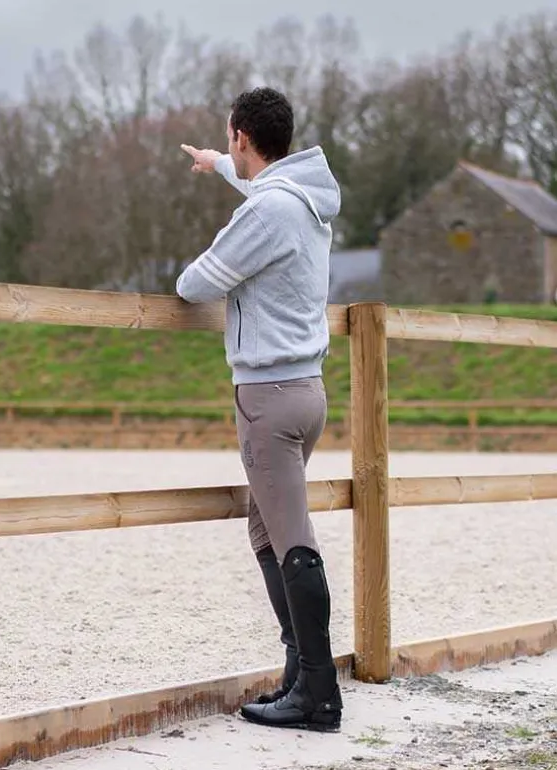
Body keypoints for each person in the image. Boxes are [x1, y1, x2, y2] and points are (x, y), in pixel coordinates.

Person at [175, 87, 343, 732]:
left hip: (267, 400)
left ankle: (318, 694)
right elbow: (264, 200)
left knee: (291, 538)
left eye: (230, 142)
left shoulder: (270, 211)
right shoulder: (302, 204)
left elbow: (195, 284)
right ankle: (300, 672)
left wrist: (225, 269)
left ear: (242, 133)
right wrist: (219, 164)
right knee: (266, 531)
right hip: (306, 393)